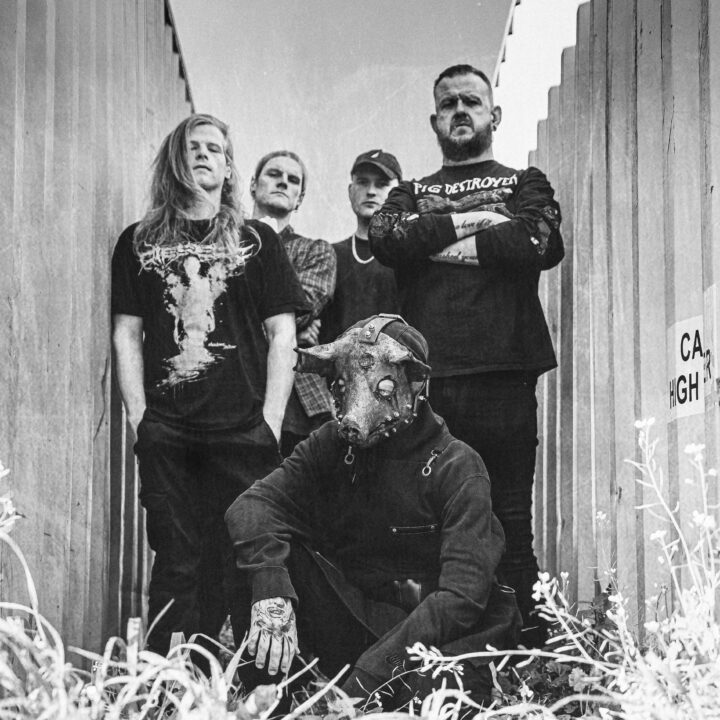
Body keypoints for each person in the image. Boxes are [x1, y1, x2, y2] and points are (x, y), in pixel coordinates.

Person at [225, 315, 520, 710]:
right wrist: (271, 594)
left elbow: (460, 600)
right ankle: (269, 705)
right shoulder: (332, 444)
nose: (355, 406)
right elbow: (251, 507)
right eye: (344, 385)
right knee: (254, 553)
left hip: (434, 641)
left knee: (433, 702)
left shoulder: (458, 467)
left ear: (416, 384)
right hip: (365, 621)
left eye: (380, 387)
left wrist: (370, 676)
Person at [368, 64, 564, 648]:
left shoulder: (524, 180)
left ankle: (529, 658)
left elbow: (536, 240)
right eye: (449, 103)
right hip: (428, 382)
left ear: (493, 115)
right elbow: (387, 238)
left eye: (471, 101)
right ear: (434, 120)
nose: (460, 110)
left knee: (510, 521)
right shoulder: (409, 190)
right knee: (432, 525)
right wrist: (477, 221)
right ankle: (442, 660)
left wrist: (433, 238)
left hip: (505, 373)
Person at [111, 114, 306, 656]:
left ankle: (252, 684)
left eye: (214, 148)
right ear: (174, 159)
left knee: (247, 561)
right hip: (169, 432)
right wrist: (141, 419)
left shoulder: (257, 241)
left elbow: (282, 334)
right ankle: (168, 685)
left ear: (228, 167)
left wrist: (270, 421)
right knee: (177, 564)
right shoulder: (138, 241)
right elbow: (126, 334)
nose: (203, 154)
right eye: (192, 146)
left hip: (243, 430)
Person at [251, 151, 336, 456]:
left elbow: (303, 308)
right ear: (253, 185)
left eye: (293, 180)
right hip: (239, 391)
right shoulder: (227, 246)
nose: (283, 182)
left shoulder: (316, 251)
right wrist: (292, 330)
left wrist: (285, 323)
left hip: (299, 405)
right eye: (274, 174)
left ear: (299, 198)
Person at [318, 150, 402, 345]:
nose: (371, 191)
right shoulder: (328, 255)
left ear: (398, 193)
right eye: (363, 182)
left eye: (381, 184)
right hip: (338, 361)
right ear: (350, 191)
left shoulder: (408, 257)